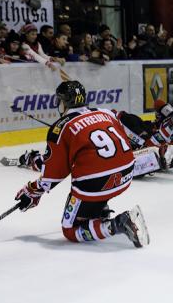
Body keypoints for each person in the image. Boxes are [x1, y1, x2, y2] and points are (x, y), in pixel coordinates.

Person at [14, 81, 150, 247]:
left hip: (95, 185)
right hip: (126, 175)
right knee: (94, 166)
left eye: (60, 101)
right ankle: (99, 210)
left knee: (70, 230)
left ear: (65, 102)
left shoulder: (60, 127)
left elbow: (53, 175)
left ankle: (117, 224)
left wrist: (32, 190)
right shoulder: (106, 112)